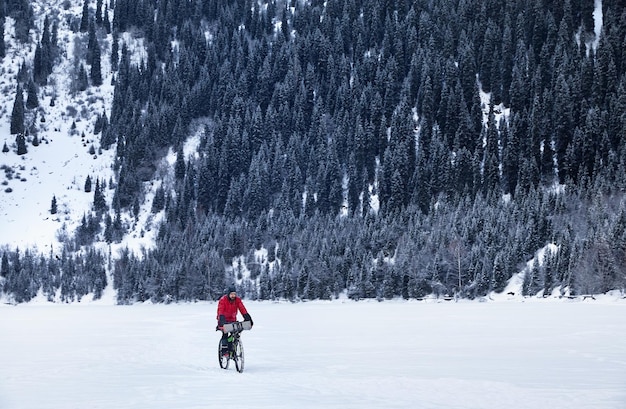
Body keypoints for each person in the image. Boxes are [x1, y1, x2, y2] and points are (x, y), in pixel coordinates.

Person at [216, 286, 253, 357]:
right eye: (231, 294)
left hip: (232, 319)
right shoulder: (223, 300)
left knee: (235, 334)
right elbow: (221, 311)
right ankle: (224, 351)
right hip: (223, 319)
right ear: (228, 294)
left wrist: (248, 318)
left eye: (234, 294)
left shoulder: (237, 300)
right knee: (225, 334)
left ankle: (232, 349)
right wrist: (222, 322)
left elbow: (242, 309)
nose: (233, 296)